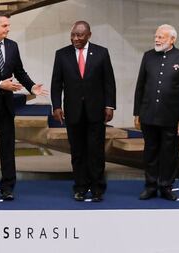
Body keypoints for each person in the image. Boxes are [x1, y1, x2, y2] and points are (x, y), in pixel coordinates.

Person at [0, 11, 47, 201]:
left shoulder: (12, 46)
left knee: (7, 148)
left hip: (5, 107)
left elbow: (19, 71)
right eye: (4, 25)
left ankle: (7, 187)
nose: (8, 29)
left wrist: (31, 86)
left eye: (8, 25)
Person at [51, 21, 116, 202]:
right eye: (73, 35)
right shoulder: (61, 54)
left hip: (96, 111)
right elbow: (56, 83)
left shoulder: (102, 53)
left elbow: (109, 81)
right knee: (77, 152)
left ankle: (97, 189)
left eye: (79, 35)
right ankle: (80, 187)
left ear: (89, 35)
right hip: (73, 112)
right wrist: (56, 106)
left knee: (96, 152)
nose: (75, 39)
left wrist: (109, 105)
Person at [134, 24, 179, 201]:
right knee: (150, 151)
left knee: (169, 153)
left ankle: (166, 186)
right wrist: (137, 112)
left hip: (172, 117)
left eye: (161, 37)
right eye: (156, 36)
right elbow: (140, 86)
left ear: (172, 39)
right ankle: (151, 186)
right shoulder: (148, 56)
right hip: (148, 114)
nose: (157, 39)